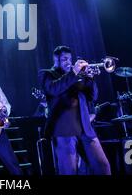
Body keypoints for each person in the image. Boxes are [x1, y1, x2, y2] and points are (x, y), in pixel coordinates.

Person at [38, 45, 111, 175]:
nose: (69, 62)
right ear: (56, 60)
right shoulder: (47, 74)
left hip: (85, 128)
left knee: (103, 166)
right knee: (69, 171)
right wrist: (74, 73)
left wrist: (90, 79)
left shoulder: (76, 76)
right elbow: (54, 89)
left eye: (70, 59)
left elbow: (92, 97)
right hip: (64, 130)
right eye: (65, 59)